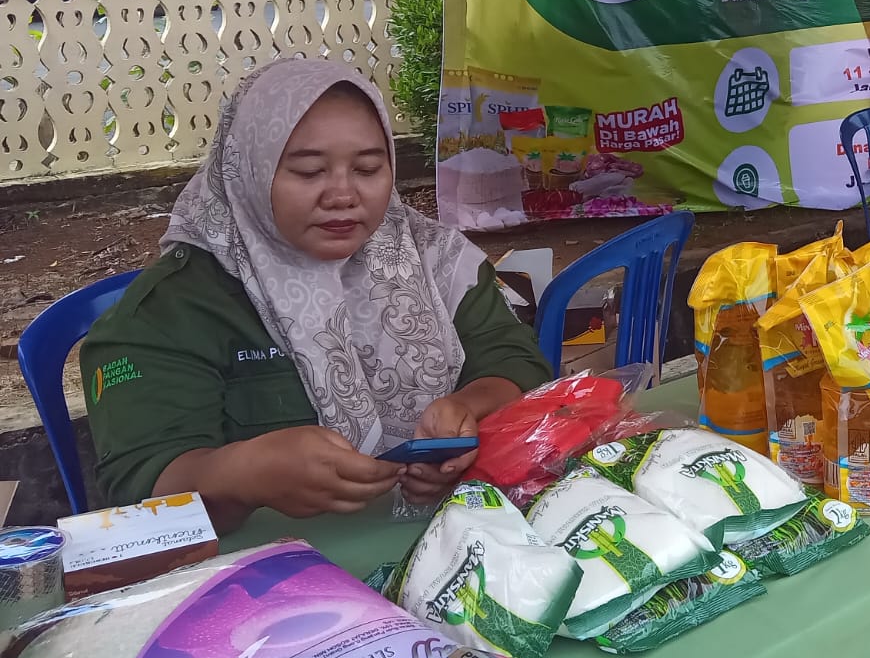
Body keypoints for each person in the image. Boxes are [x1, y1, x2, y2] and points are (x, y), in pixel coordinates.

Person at [80, 59, 551, 530]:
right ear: (247, 169)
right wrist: (243, 474)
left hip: (453, 544)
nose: (343, 194)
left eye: (368, 168)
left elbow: (516, 362)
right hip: (263, 579)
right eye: (309, 172)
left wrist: (467, 412)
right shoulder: (173, 311)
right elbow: (137, 494)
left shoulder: (435, 260)